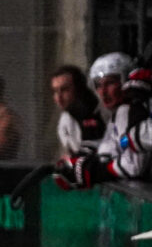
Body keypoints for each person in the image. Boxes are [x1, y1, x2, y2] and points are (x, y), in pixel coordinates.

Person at [56, 52, 151, 189]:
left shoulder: (128, 110)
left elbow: (133, 166)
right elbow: (111, 147)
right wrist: (83, 160)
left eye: (110, 83)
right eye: (98, 85)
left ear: (127, 81)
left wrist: (95, 171)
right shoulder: (118, 114)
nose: (103, 91)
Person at [50, 64, 106, 157]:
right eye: (55, 91)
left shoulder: (104, 111)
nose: (59, 97)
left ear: (79, 89)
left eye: (64, 90)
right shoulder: (65, 119)